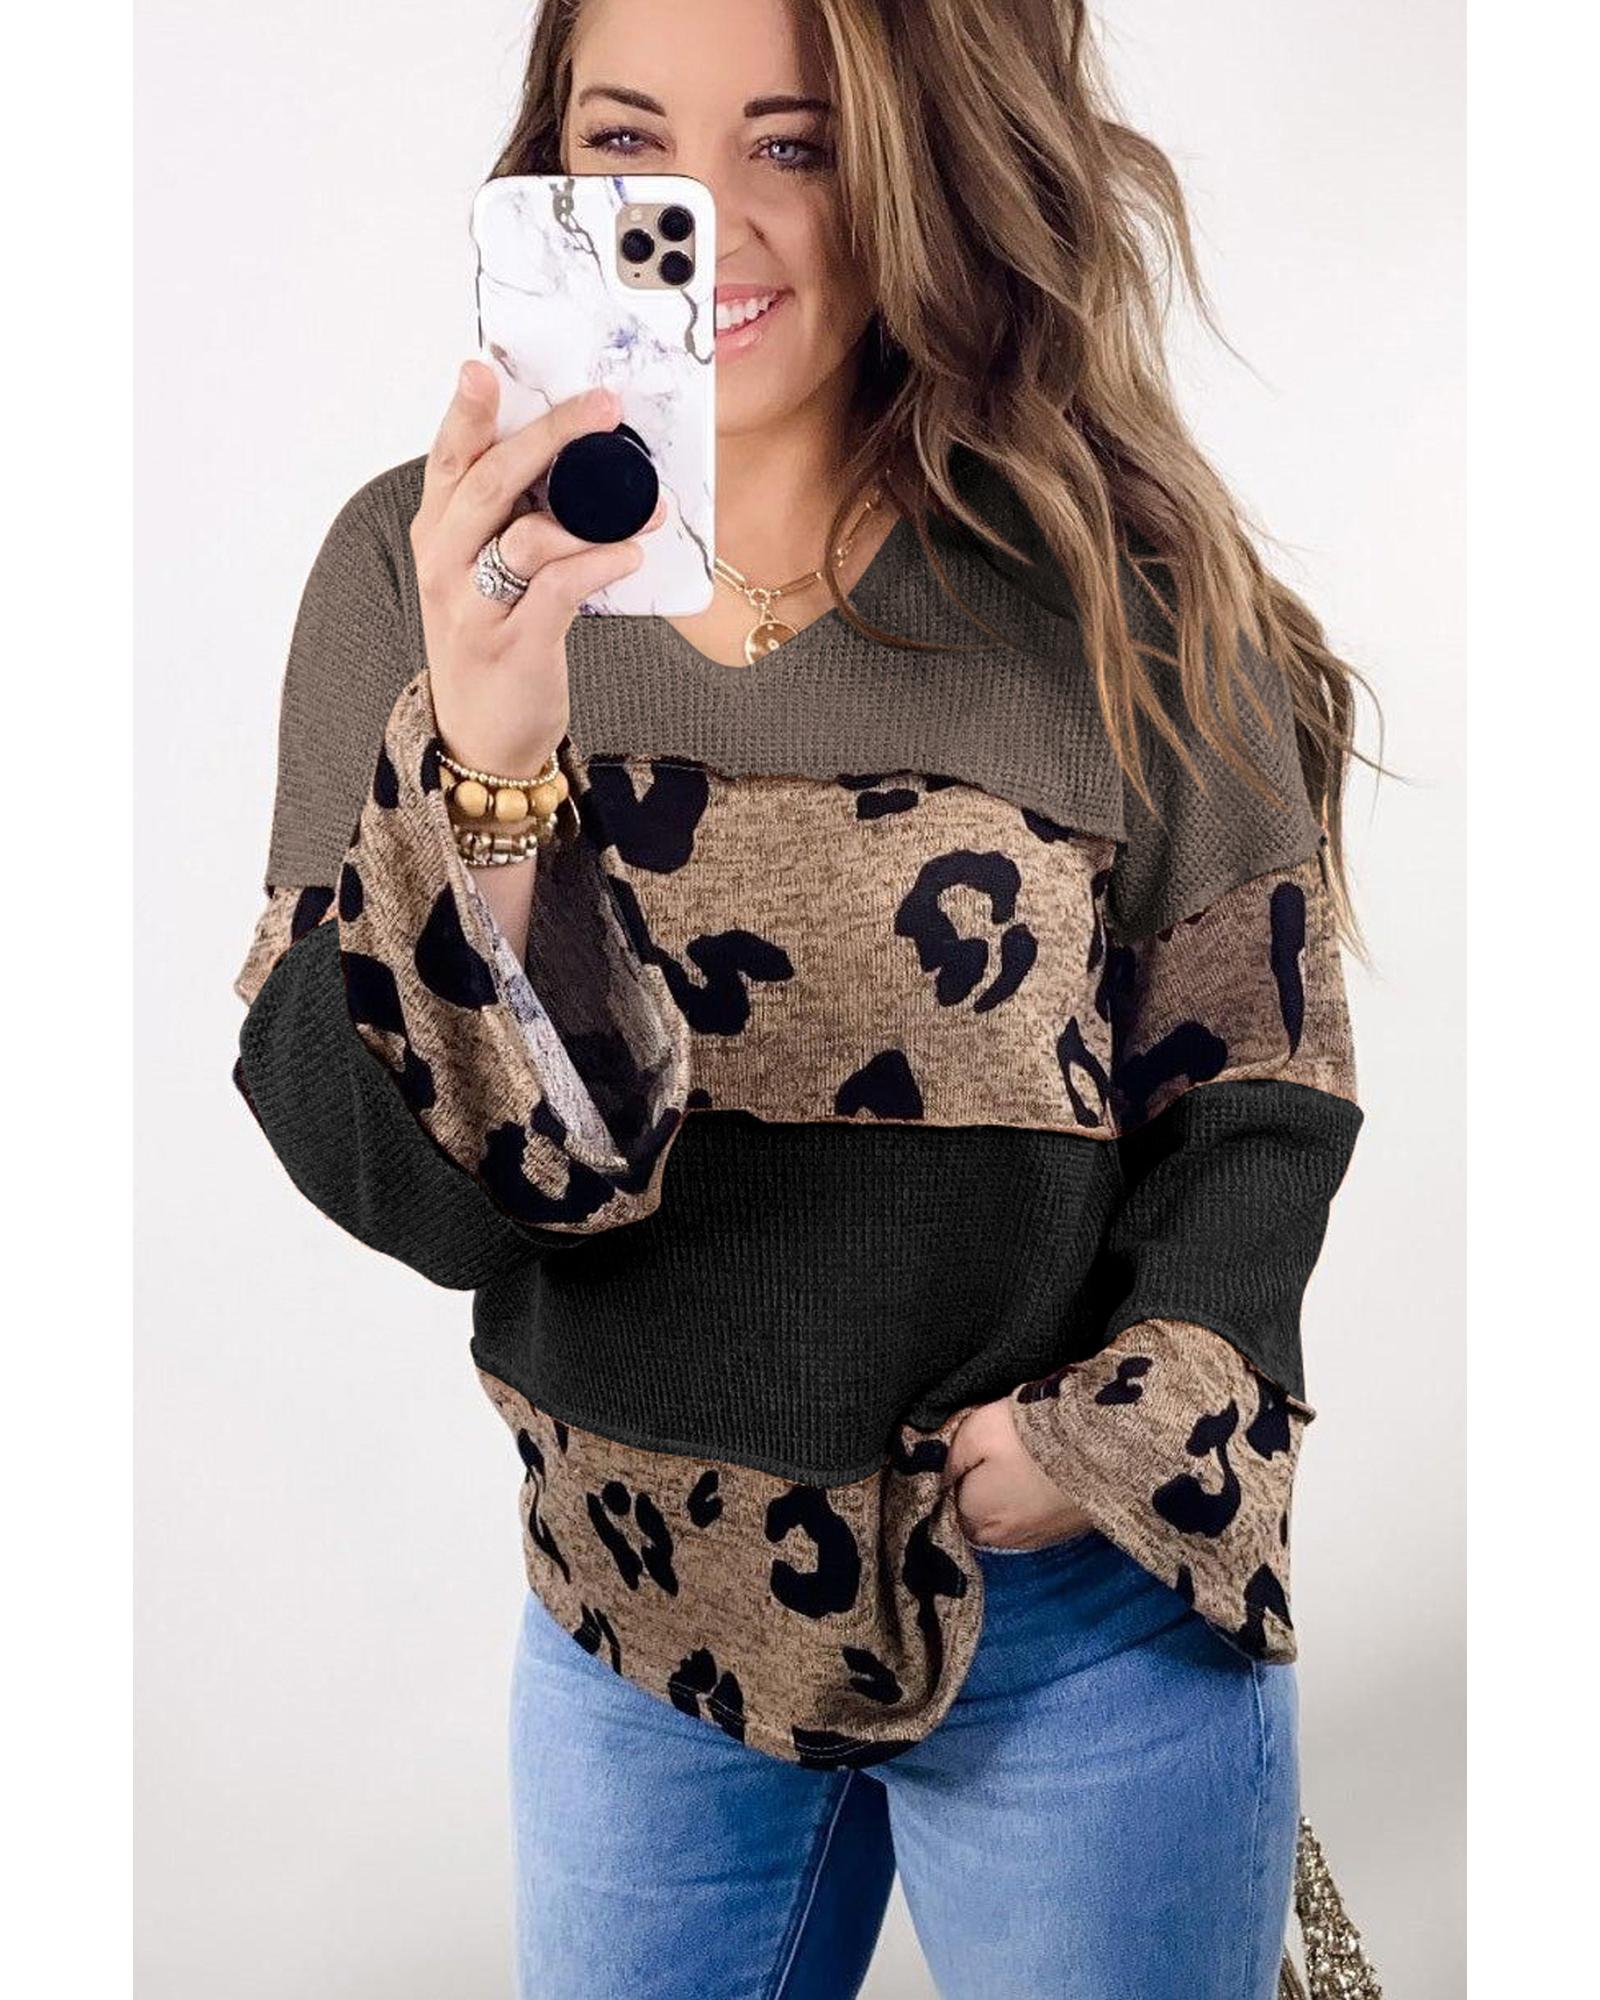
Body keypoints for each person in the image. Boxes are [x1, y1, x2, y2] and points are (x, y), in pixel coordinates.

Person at [232, 2, 1387, 1994]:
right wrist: (491, 769)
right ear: (550, 169)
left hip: (1066, 1614)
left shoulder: (1112, 587)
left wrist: (1114, 1438)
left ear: (927, 169)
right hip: (633, 1621)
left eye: (798, 143)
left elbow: (1257, 1089)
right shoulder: (414, 577)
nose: (706, 220)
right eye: (628, 141)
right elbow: (427, 1197)